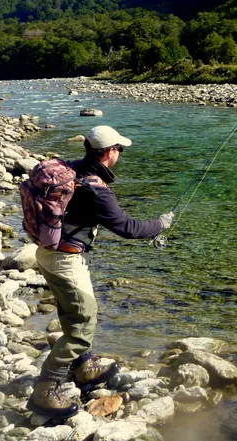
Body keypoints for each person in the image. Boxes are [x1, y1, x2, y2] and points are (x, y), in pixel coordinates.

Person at [28, 125, 174, 418]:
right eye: (119, 149)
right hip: (66, 261)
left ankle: (84, 367)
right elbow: (127, 228)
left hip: (49, 253)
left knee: (73, 311)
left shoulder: (73, 169)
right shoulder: (95, 190)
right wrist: (160, 224)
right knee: (83, 324)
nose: (120, 154)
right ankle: (44, 391)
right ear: (109, 152)